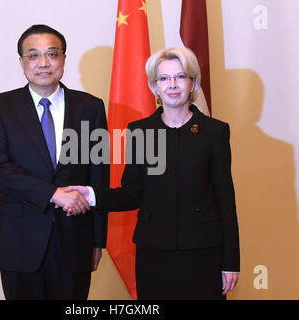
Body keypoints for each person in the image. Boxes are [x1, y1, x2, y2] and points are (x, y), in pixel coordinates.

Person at [65, 47, 240, 300]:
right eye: (164, 78)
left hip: (205, 253)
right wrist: (91, 195)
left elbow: (226, 201)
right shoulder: (141, 131)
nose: (172, 84)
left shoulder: (215, 132)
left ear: (193, 83)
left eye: (181, 77)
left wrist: (231, 262)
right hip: (154, 253)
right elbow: (131, 194)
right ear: (154, 87)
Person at [0, 25, 109, 300]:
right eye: (33, 55)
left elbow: (99, 174)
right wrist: (54, 194)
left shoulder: (90, 107)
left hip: (75, 239)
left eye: (52, 54)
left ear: (63, 58)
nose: (43, 63)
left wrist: (97, 240)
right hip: (21, 241)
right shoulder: (0, 108)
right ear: (22, 62)